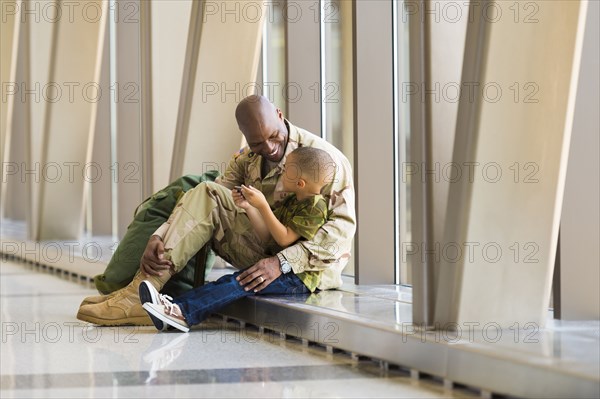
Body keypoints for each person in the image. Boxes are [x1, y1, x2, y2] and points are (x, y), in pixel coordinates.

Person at [76, 94, 355, 326]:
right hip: (262, 246)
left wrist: (281, 263)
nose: (268, 148)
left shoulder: (322, 159)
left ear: (280, 115)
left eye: (274, 137)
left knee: (226, 269)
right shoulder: (248, 157)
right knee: (207, 190)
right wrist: (160, 235)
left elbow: (339, 234)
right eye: (258, 143)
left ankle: (146, 301)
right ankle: (140, 291)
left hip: (304, 269)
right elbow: (211, 194)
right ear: (245, 136)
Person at [140, 146, 332, 332]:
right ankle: (175, 308)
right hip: (283, 269)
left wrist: (263, 205)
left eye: (287, 168)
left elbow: (284, 239)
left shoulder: (316, 206)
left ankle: (181, 313)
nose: (282, 169)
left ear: (301, 183)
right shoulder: (293, 199)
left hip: (297, 277)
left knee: (236, 283)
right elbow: (268, 236)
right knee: (232, 281)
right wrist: (249, 207)